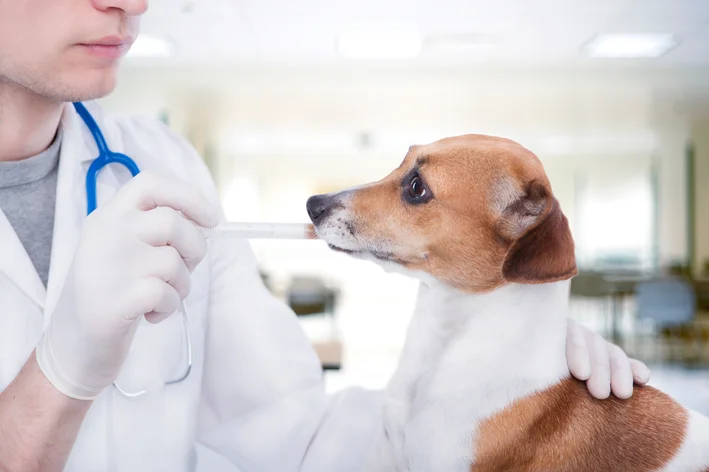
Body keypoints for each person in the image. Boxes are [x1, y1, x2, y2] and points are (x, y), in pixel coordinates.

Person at [0, 1, 651, 471]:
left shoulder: (160, 164)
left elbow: (297, 434)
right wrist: (60, 374)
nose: (132, 4)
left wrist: (504, 375)